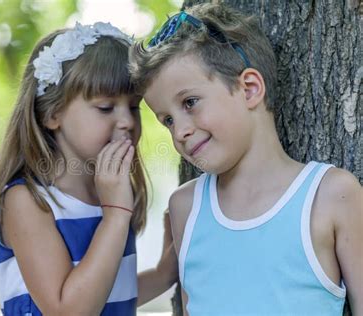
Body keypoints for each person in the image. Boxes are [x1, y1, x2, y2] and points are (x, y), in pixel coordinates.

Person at [129, 3, 362, 315]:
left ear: (250, 89)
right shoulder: (186, 208)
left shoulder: (332, 195)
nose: (180, 131)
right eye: (167, 120)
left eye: (190, 102)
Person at [0, 22, 177, 315]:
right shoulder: (28, 201)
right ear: (53, 114)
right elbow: (69, 310)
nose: (127, 122)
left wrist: (162, 275)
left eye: (134, 107)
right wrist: (116, 217)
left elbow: (105, 292)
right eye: (106, 107)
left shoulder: (108, 195)